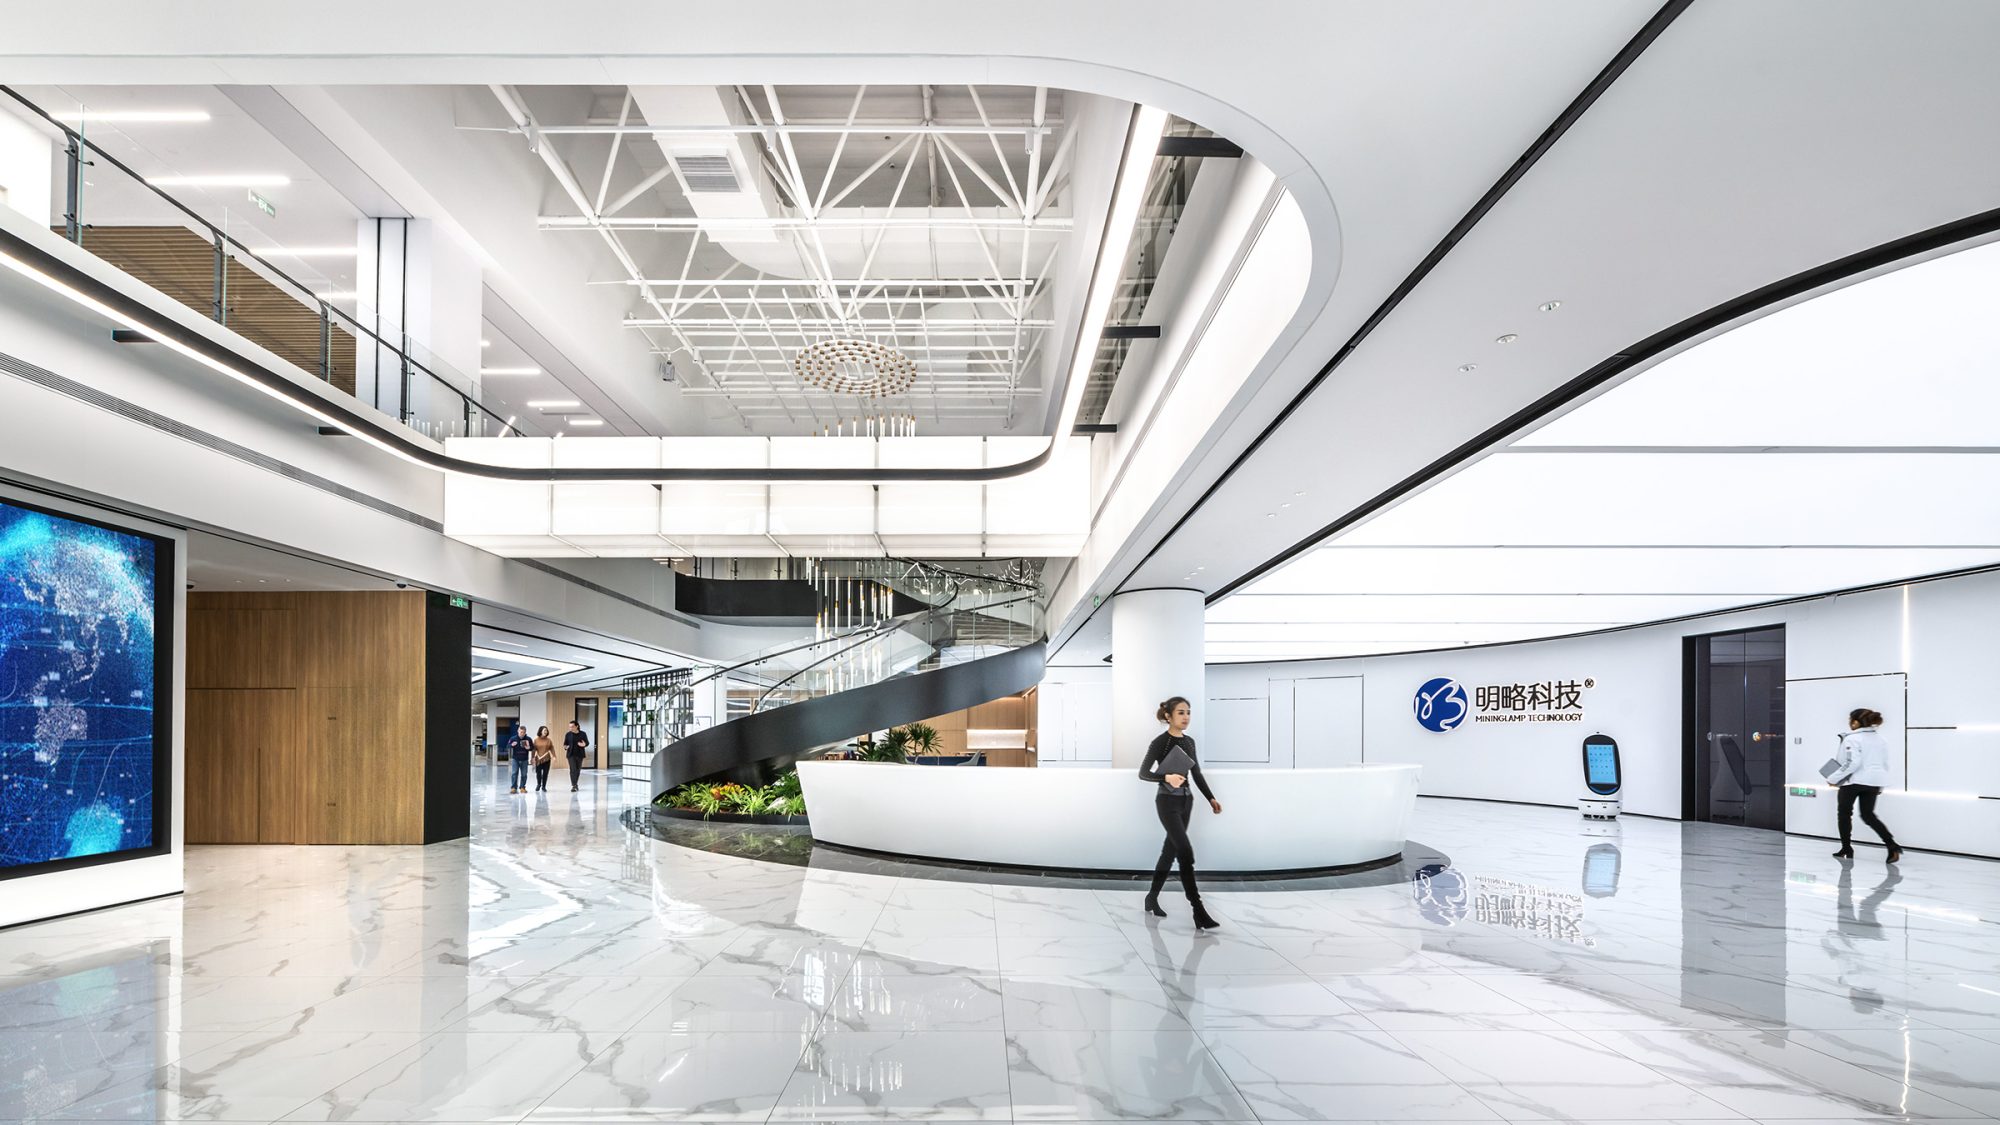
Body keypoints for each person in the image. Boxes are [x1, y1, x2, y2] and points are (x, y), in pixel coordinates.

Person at [1136, 696, 1222, 929]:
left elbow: (1197, 774)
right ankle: (1198, 909)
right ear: (1168, 716)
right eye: (1181, 712)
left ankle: (1151, 897)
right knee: (1184, 850)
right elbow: (1143, 773)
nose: (1186, 717)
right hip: (1166, 802)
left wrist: (1211, 797)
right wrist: (1166, 777)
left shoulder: (1190, 742)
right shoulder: (1160, 742)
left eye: (1188, 712)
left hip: (1187, 801)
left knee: (1169, 851)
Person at [1828, 707, 1901, 863]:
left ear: (1855, 722)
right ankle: (1892, 845)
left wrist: (1833, 778)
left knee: (1844, 814)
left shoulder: (1851, 738)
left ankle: (1846, 848)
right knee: (1868, 815)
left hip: (1853, 782)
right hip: (1874, 782)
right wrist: (1880, 784)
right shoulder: (1880, 739)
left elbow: (1851, 763)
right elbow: (1884, 764)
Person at [563, 720, 590, 792]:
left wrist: (584, 744)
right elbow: (565, 744)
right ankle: (574, 785)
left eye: (572, 727)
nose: (570, 728)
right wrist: (565, 747)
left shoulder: (583, 734)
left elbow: (587, 743)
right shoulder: (568, 734)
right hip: (570, 754)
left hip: (580, 755)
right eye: (569, 727)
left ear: (577, 726)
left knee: (578, 770)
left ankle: (575, 784)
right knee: (573, 769)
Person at [508, 724, 532, 793]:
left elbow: (532, 748)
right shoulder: (513, 738)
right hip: (515, 759)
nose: (522, 734)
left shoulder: (528, 739)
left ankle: (522, 787)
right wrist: (511, 745)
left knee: (524, 774)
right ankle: (513, 788)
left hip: (524, 759)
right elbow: (508, 745)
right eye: (521, 732)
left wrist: (529, 748)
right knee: (514, 773)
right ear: (518, 731)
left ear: (525, 732)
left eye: (523, 732)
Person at [531, 725, 556, 792]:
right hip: (538, 759)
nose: (546, 731)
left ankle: (544, 786)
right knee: (538, 773)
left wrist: (554, 756)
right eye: (544, 730)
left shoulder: (549, 740)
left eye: (546, 730)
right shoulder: (536, 740)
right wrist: (532, 758)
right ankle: (539, 784)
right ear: (540, 731)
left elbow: (552, 748)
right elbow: (534, 749)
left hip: (547, 759)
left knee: (545, 773)